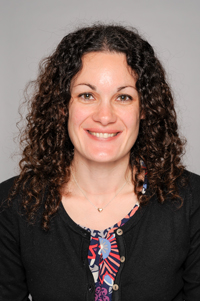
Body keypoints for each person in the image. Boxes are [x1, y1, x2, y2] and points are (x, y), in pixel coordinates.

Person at [0, 24, 200, 301]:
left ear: (144, 109)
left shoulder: (192, 200)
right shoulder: (11, 204)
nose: (104, 116)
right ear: (62, 105)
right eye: (87, 95)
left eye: (123, 97)